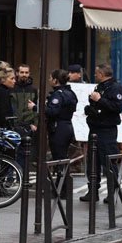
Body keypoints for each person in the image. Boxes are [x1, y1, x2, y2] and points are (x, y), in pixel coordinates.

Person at [81, 64, 122, 202]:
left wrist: (100, 100)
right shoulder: (99, 87)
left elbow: (116, 107)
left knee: (108, 161)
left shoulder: (115, 87)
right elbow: (98, 105)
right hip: (95, 128)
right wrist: (91, 108)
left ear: (101, 73)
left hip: (107, 130)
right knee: (93, 161)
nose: (94, 75)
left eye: (96, 73)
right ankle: (92, 191)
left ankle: (112, 192)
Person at [46, 69, 78, 197]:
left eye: (50, 77)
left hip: (59, 127)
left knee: (59, 159)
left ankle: (61, 189)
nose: (49, 80)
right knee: (63, 158)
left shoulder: (58, 94)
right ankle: (63, 188)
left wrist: (39, 108)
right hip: (68, 126)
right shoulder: (70, 92)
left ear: (55, 80)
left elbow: (53, 111)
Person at [11, 64, 39, 171]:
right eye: (22, 72)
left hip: (28, 125)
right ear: (17, 73)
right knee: (12, 151)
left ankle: (23, 176)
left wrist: (35, 123)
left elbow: (36, 107)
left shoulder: (33, 90)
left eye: (26, 72)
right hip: (14, 124)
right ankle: (12, 177)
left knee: (25, 153)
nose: (24, 75)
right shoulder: (12, 88)